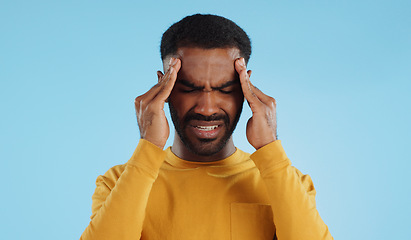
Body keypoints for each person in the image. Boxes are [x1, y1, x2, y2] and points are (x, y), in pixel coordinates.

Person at [80, 14, 333, 240]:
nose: (207, 108)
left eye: (225, 89)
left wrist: (270, 149)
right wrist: (148, 146)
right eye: (189, 88)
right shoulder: (117, 183)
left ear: (246, 89)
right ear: (163, 88)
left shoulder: (288, 183)